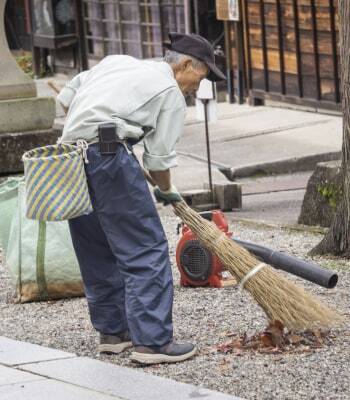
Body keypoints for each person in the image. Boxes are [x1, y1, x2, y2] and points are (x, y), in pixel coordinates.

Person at [57, 32, 226, 364]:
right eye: (201, 76)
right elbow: (158, 160)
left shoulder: (116, 63)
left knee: (97, 246)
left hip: (71, 159)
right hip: (109, 158)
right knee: (144, 247)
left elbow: (66, 94)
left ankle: (114, 332)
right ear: (187, 65)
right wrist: (167, 190)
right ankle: (152, 343)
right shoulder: (170, 92)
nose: (197, 87)